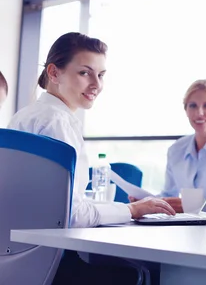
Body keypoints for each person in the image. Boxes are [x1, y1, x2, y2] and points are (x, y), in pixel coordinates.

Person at [9, 32, 176, 227]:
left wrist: (126, 208)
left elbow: (65, 204)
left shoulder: (25, 116)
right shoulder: (57, 122)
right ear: (54, 73)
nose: (96, 84)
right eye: (85, 73)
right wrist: (132, 210)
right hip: (52, 250)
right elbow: (70, 215)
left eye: (101, 75)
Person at [158, 79, 206, 212]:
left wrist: (190, 206)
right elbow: (169, 195)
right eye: (192, 106)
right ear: (185, 110)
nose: (199, 113)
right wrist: (146, 203)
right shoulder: (176, 150)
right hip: (186, 225)